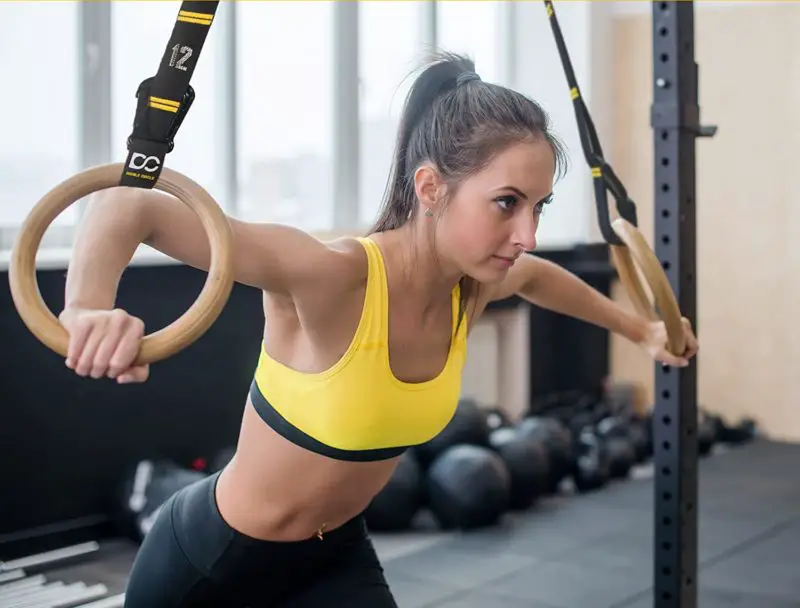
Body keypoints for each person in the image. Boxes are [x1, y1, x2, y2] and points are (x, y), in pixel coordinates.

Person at [59, 52, 698, 607]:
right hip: (208, 564)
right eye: (507, 203)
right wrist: (87, 308)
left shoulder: (472, 290)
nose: (526, 235)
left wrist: (639, 330)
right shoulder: (331, 276)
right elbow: (130, 201)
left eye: (539, 208)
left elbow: (537, 277)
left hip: (332, 562)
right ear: (430, 187)